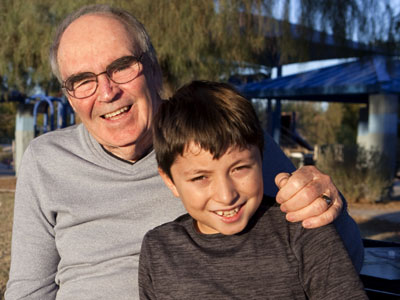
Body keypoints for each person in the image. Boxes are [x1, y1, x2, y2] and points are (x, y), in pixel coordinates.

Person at [5, 4, 363, 300]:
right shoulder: (45, 159)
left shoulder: (224, 141)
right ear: (69, 96)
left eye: (120, 67)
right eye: (83, 80)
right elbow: (30, 289)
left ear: (154, 68)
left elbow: (342, 257)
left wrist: (327, 206)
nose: (107, 92)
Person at [139, 80, 367, 299]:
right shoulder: (159, 248)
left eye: (239, 169)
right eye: (200, 177)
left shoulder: (302, 228)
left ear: (261, 157)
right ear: (170, 181)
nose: (226, 195)